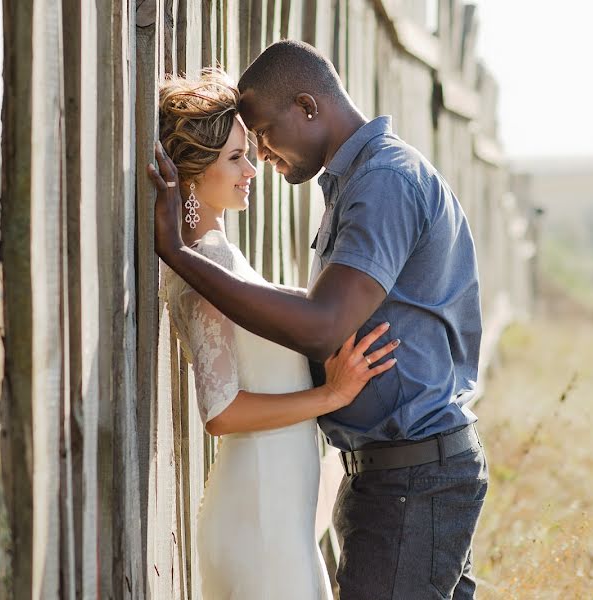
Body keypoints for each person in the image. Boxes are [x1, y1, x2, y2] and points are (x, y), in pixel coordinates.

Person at [149, 40, 487, 599]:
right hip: (391, 477)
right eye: (242, 149)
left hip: (413, 477)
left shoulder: (385, 182)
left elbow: (322, 326)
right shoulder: (357, 184)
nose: (261, 156)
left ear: (307, 106)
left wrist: (180, 257)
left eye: (262, 135)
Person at [154, 67, 399, 599]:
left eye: (249, 152)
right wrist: (330, 395)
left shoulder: (220, 256)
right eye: (235, 158)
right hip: (258, 514)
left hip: (277, 514)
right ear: (193, 172)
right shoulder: (203, 263)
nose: (253, 170)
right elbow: (221, 412)